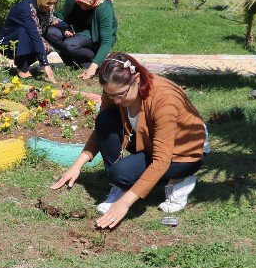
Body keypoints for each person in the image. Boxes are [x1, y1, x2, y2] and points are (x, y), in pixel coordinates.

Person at [51, 53, 208, 229]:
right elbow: (102, 129)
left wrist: (124, 204)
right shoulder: (114, 92)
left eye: (120, 94)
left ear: (137, 79)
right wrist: (77, 165)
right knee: (105, 119)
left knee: (122, 174)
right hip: (148, 143)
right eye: (110, 95)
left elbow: (161, 161)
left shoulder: (164, 99)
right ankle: (118, 187)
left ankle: (180, 179)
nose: (116, 100)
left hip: (181, 154)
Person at [44, 0, 118, 80]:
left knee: (70, 44)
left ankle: (95, 62)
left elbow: (106, 42)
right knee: (50, 32)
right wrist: (61, 23)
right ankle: (72, 63)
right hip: (78, 31)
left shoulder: (104, 6)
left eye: (86, 4)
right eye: (80, 3)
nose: (83, 6)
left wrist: (92, 68)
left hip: (95, 35)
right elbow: (64, 17)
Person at [0, 0, 64, 83]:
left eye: (54, 4)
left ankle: (25, 64)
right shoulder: (26, 9)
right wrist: (45, 65)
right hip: (8, 42)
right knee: (27, 33)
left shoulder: (42, 7)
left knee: (44, 39)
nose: (51, 7)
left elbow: (53, 20)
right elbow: (34, 35)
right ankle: (22, 67)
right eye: (49, 3)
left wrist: (66, 28)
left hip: (23, 39)